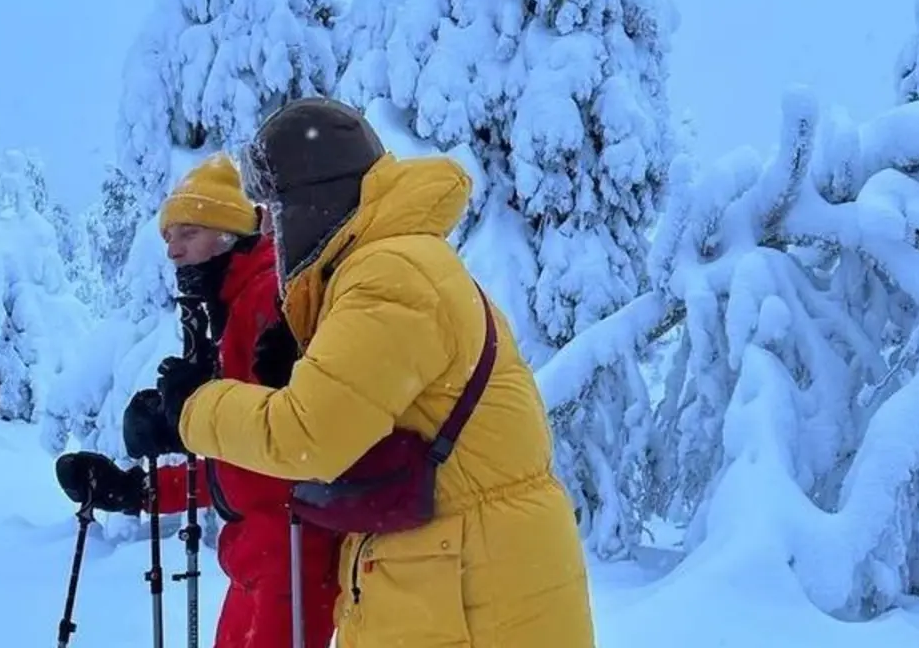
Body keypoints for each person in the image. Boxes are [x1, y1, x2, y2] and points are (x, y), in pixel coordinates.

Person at [124, 98, 596, 647]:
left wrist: (192, 409)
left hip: (468, 589)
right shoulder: (385, 267)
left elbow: (308, 437)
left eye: (278, 211)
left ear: (314, 200)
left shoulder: (391, 273)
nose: (273, 231)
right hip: (443, 578)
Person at [54, 153, 342, 648]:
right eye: (168, 237)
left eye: (188, 233)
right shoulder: (228, 310)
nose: (172, 251)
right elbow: (235, 461)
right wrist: (135, 490)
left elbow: (285, 441)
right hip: (258, 556)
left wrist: (191, 414)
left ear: (227, 232)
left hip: (294, 551)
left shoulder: (269, 299)